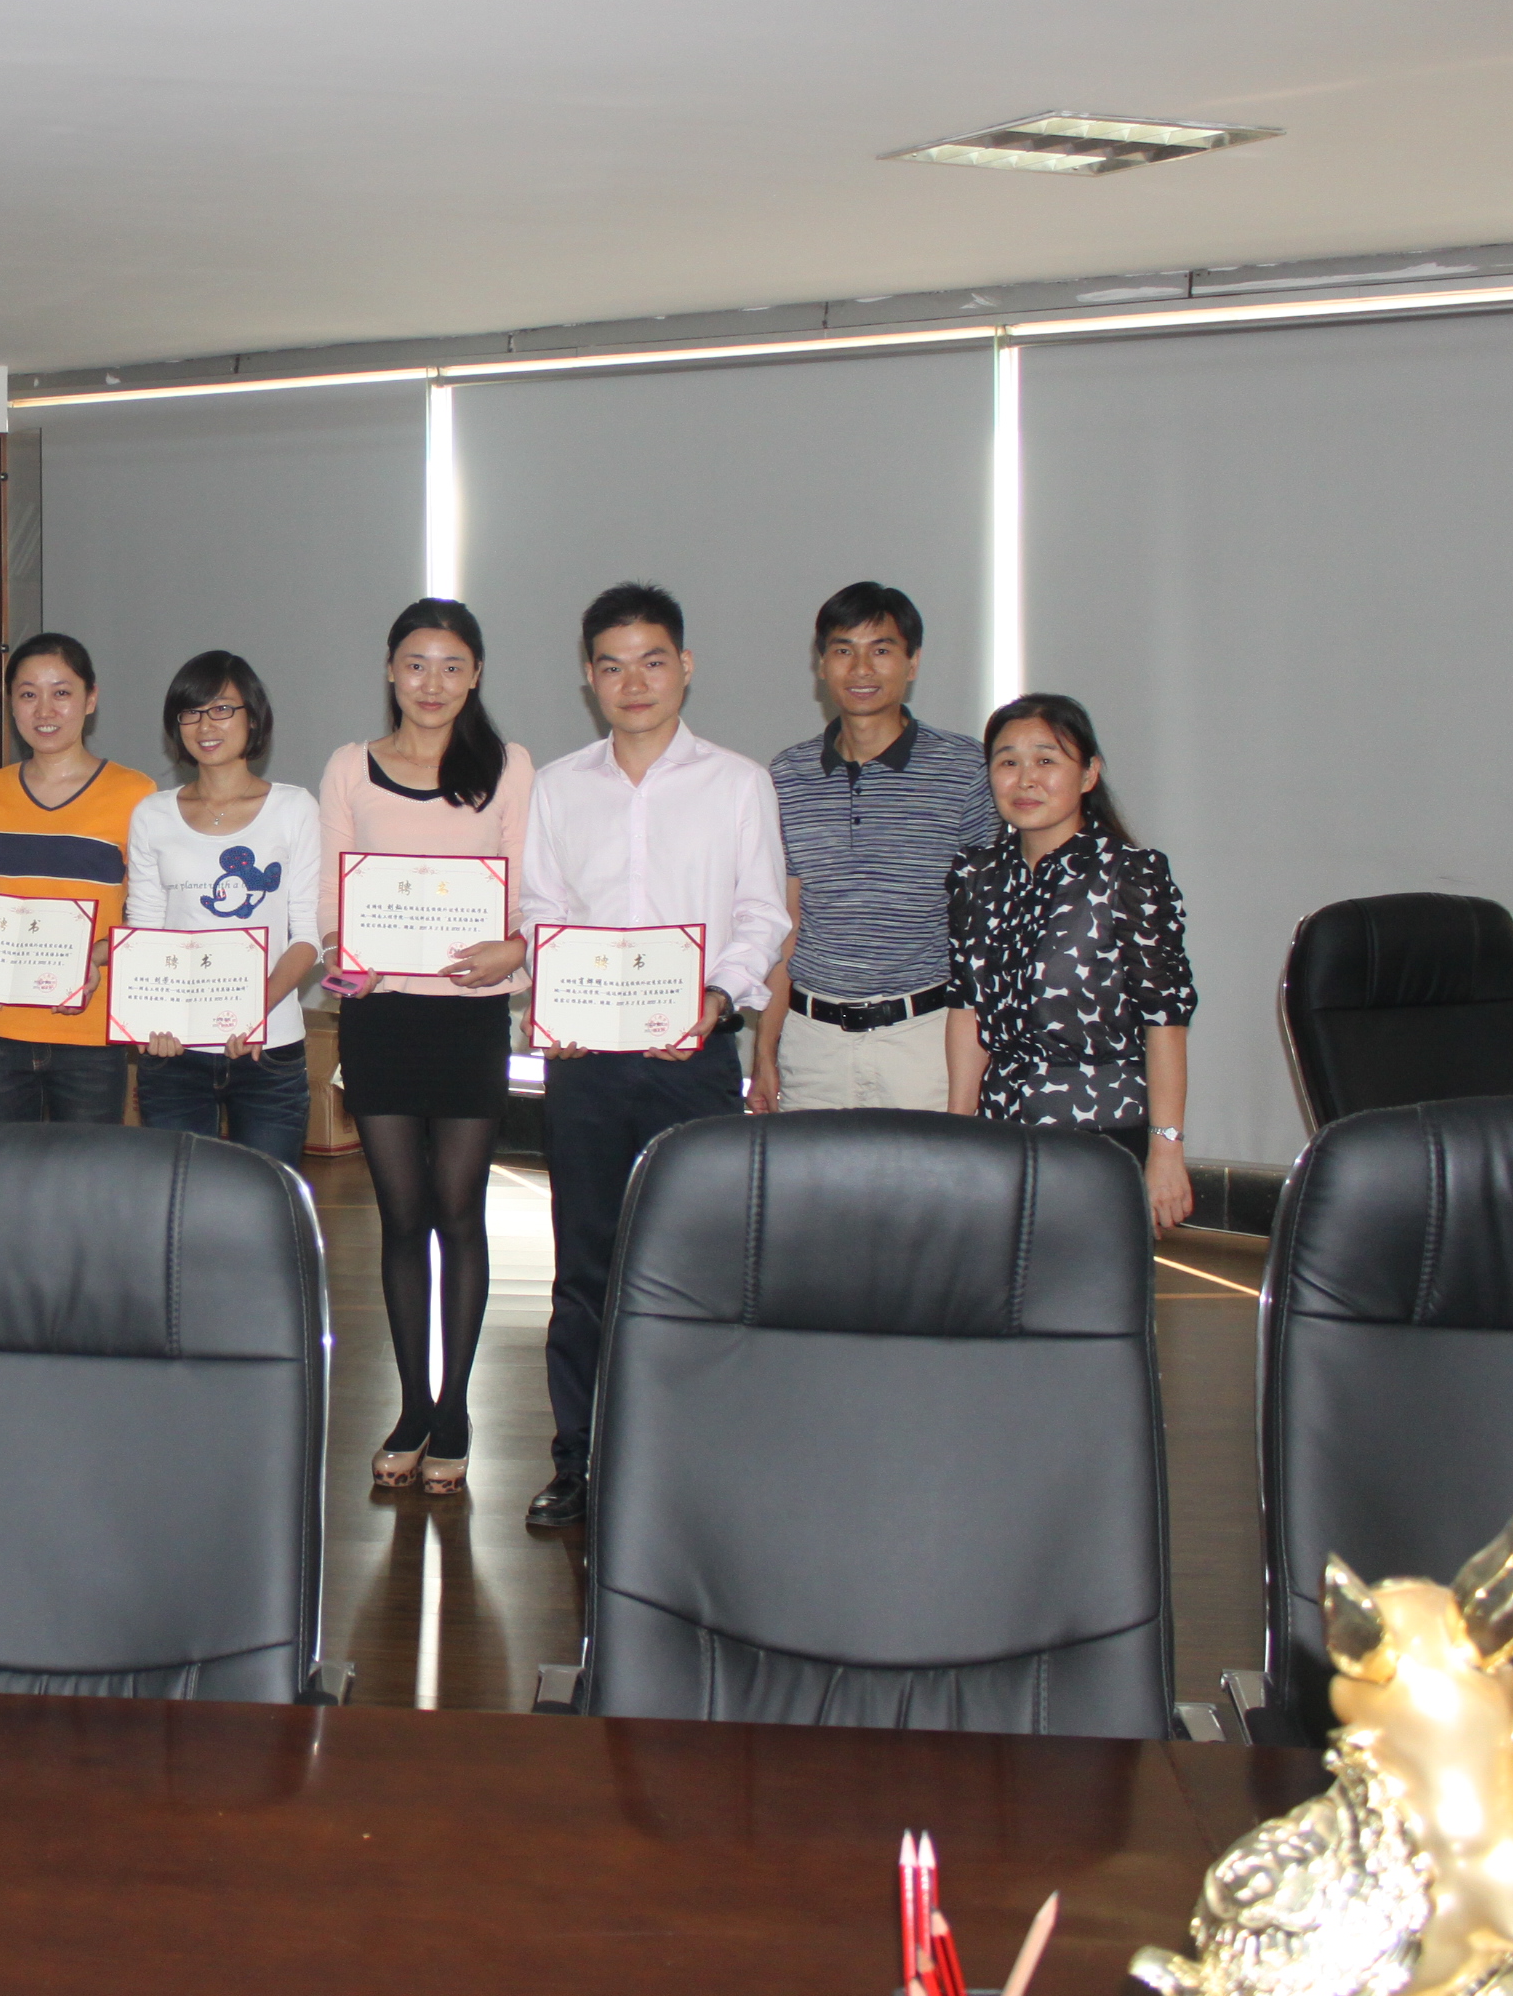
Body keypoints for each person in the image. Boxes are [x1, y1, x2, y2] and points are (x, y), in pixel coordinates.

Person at [505, 583, 788, 1531]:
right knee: (583, 1265)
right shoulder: (559, 786)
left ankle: (691, 1466)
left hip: (692, 1055)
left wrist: (717, 998)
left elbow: (761, 914)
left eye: (653, 661)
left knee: (696, 1259)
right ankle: (579, 1462)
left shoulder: (738, 783)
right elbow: (541, 908)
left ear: (685, 668)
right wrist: (555, 993)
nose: (634, 682)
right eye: (613, 665)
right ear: (589, 678)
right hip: (586, 1059)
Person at [316, 597, 533, 1500]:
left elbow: (528, 892)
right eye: (415, 663)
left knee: (460, 1212)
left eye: (451, 665)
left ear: (475, 674)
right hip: (383, 1018)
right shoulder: (349, 767)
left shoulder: (508, 767)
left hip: (469, 1016)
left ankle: (456, 1410)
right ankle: (412, 1407)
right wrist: (346, 957)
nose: (431, 682)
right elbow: (333, 897)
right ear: (390, 670)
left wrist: (513, 949)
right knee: (401, 1219)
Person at [946, 692, 1197, 1231]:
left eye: (1046, 760)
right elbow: (967, 1010)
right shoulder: (977, 875)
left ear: (1088, 775)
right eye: (1008, 762)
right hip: (1002, 1129)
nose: (1025, 780)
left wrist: (1167, 1149)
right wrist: (957, 1130)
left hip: (1102, 1132)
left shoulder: (1128, 874)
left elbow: (1166, 1021)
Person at [756, 582, 998, 1114]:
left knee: (927, 1173)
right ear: (822, 665)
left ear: (912, 662)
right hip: (813, 1043)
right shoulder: (788, 775)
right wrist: (765, 1051)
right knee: (812, 1172)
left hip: (925, 1039)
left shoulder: (965, 769)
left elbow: (986, 931)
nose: (861, 669)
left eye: (881, 650)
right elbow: (786, 923)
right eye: (844, 650)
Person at [0, 633, 156, 1124]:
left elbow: (151, 914)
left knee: (84, 1170)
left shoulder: (135, 794)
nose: (45, 710)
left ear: (91, 699)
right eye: (27, 694)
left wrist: (94, 957)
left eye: (61, 692)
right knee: (0, 1166)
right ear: (11, 703)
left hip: (91, 1028)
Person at [125, 651, 320, 1167]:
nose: (205, 725)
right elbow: (144, 931)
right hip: (174, 1051)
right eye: (191, 712)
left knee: (269, 1197)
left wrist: (255, 1010)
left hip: (268, 1046)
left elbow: (307, 936)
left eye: (222, 709)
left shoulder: (294, 808)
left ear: (252, 717)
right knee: (180, 1198)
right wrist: (151, 1020)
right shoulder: (152, 814)